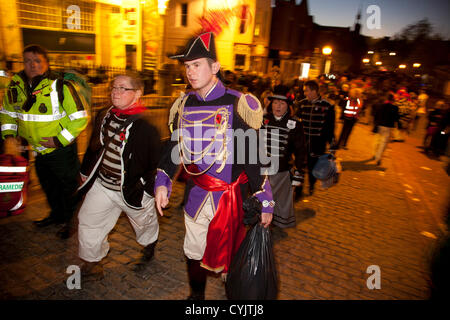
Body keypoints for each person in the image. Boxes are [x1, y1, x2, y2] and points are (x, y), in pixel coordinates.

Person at [154, 32, 274, 300]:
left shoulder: (238, 103)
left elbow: (252, 155)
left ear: (215, 67)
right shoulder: (183, 104)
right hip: (196, 194)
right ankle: (196, 297)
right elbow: (174, 147)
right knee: (192, 250)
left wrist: (265, 198)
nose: (190, 72)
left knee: (233, 257)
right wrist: (163, 180)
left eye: (197, 64)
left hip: (231, 197)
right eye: (187, 66)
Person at [76, 72, 162, 279]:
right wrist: (85, 172)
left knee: (145, 224)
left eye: (123, 88)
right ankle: (93, 263)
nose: (116, 92)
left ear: (138, 93)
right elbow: (94, 146)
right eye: (114, 87)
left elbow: (156, 165)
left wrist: (148, 190)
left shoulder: (147, 126)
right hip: (103, 184)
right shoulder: (104, 114)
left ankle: (149, 245)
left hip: (133, 189)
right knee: (88, 221)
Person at [0, 44, 89, 239]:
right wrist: (9, 136)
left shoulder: (60, 84)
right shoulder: (16, 84)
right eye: (28, 61)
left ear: (46, 63)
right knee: (49, 186)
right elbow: (7, 112)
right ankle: (57, 216)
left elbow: (81, 117)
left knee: (69, 189)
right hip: (38, 150)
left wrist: (57, 141)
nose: (32, 65)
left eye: (37, 60)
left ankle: (72, 222)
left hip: (61, 150)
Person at [262, 85, 307, 228]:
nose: (278, 106)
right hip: (262, 170)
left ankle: (273, 223)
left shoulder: (295, 124)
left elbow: (300, 150)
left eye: (282, 103)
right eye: (275, 102)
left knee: (278, 200)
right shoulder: (263, 120)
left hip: (282, 171)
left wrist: (299, 172)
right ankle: (261, 223)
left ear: (288, 106)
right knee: (262, 199)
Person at [296, 80, 336, 196]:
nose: (305, 93)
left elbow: (330, 127)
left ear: (314, 91)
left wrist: (332, 144)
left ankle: (312, 185)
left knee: (312, 167)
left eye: (306, 91)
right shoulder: (302, 104)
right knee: (300, 167)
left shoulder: (327, 106)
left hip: (317, 144)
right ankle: (299, 189)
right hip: (302, 143)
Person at [372, 93, 399, 166]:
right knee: (383, 143)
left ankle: (375, 154)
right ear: (393, 100)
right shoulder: (395, 108)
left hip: (380, 125)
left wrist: (375, 124)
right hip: (388, 127)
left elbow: (376, 115)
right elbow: (396, 118)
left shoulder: (380, 106)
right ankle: (378, 157)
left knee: (377, 140)